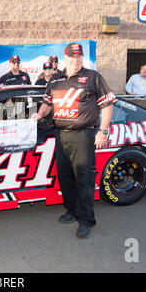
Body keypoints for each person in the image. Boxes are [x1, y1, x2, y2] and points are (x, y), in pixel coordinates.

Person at [32, 43, 117, 239]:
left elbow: (107, 104)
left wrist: (103, 131)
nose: (75, 60)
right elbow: (47, 103)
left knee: (84, 179)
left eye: (79, 57)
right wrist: (39, 115)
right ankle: (71, 210)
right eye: (72, 57)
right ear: (65, 58)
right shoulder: (55, 79)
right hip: (60, 134)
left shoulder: (93, 77)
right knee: (65, 177)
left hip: (83, 135)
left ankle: (86, 219)